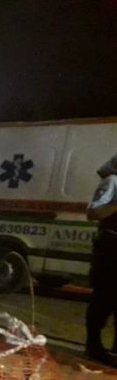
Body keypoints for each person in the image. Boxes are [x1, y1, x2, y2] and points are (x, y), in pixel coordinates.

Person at [85, 154, 117, 366]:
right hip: (111, 247)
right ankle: (93, 345)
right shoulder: (112, 181)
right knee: (104, 296)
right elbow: (93, 212)